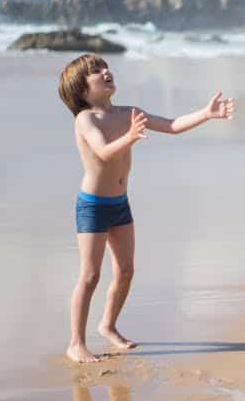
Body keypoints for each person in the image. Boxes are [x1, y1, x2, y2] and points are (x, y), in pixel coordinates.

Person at [57, 53, 235, 364]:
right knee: (90, 275)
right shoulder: (86, 120)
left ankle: (108, 325)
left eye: (105, 67)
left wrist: (205, 114)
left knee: (125, 271)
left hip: (120, 204)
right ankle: (76, 343)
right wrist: (129, 136)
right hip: (93, 206)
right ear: (82, 89)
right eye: (96, 71)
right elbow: (103, 152)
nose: (106, 71)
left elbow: (173, 125)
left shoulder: (129, 112)